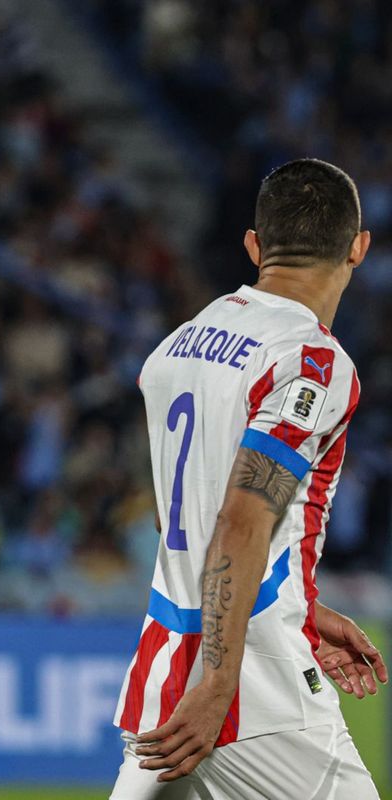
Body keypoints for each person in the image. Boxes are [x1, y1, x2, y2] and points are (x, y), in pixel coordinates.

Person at [110, 159, 388, 799]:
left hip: (164, 663)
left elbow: (179, 515)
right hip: (247, 684)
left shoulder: (178, 345)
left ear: (255, 245)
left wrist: (305, 605)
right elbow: (239, 519)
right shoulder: (311, 361)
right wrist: (218, 684)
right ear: (359, 248)